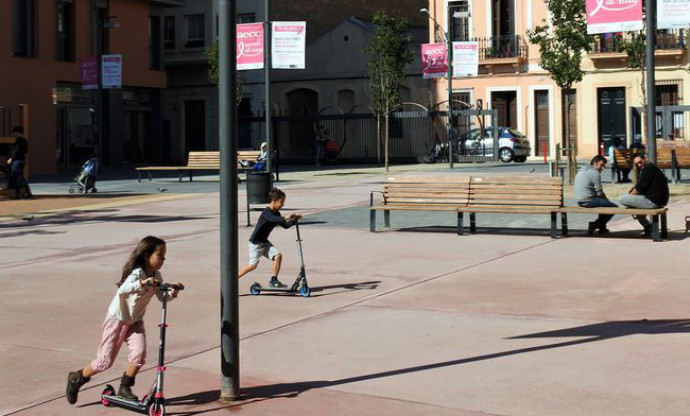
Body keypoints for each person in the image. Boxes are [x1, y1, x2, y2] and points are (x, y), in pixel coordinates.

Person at [65, 236, 183, 405]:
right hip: (117, 319)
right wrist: (143, 283)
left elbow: (161, 296)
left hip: (135, 321)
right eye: (160, 255)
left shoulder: (157, 275)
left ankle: (125, 387)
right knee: (104, 362)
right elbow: (123, 290)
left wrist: (174, 291)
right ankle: (77, 377)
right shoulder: (137, 274)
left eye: (164, 257)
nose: (163, 260)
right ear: (146, 255)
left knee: (139, 353)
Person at [238, 188, 302, 288]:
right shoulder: (266, 213)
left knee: (278, 256)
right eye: (281, 202)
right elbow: (275, 219)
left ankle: (273, 280)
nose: (283, 204)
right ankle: (232, 280)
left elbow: (285, 225)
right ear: (274, 201)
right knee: (252, 266)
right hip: (255, 244)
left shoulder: (277, 213)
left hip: (264, 242)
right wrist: (289, 216)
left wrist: (294, 220)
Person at [618, 153, 669, 236]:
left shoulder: (649, 168)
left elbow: (640, 188)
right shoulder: (650, 168)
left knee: (621, 198)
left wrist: (629, 199)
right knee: (634, 205)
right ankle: (648, 227)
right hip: (657, 200)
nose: (639, 165)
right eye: (637, 164)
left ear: (645, 159)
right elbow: (640, 186)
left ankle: (648, 227)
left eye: (640, 162)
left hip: (653, 201)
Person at [574, 155, 618, 235]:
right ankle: (594, 225)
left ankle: (602, 228)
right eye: (601, 165)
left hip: (580, 201)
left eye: (604, 165)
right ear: (595, 163)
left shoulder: (582, 170)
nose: (603, 168)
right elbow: (599, 192)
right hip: (588, 201)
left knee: (604, 204)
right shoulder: (595, 173)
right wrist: (607, 200)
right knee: (613, 207)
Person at [7, 126, 32, 199]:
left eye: (14, 132)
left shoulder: (19, 140)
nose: (13, 134)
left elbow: (16, 150)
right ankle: (27, 191)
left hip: (17, 160)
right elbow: (26, 151)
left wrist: (11, 158)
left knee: (16, 176)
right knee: (20, 177)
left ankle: (19, 193)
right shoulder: (24, 140)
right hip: (22, 160)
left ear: (17, 132)